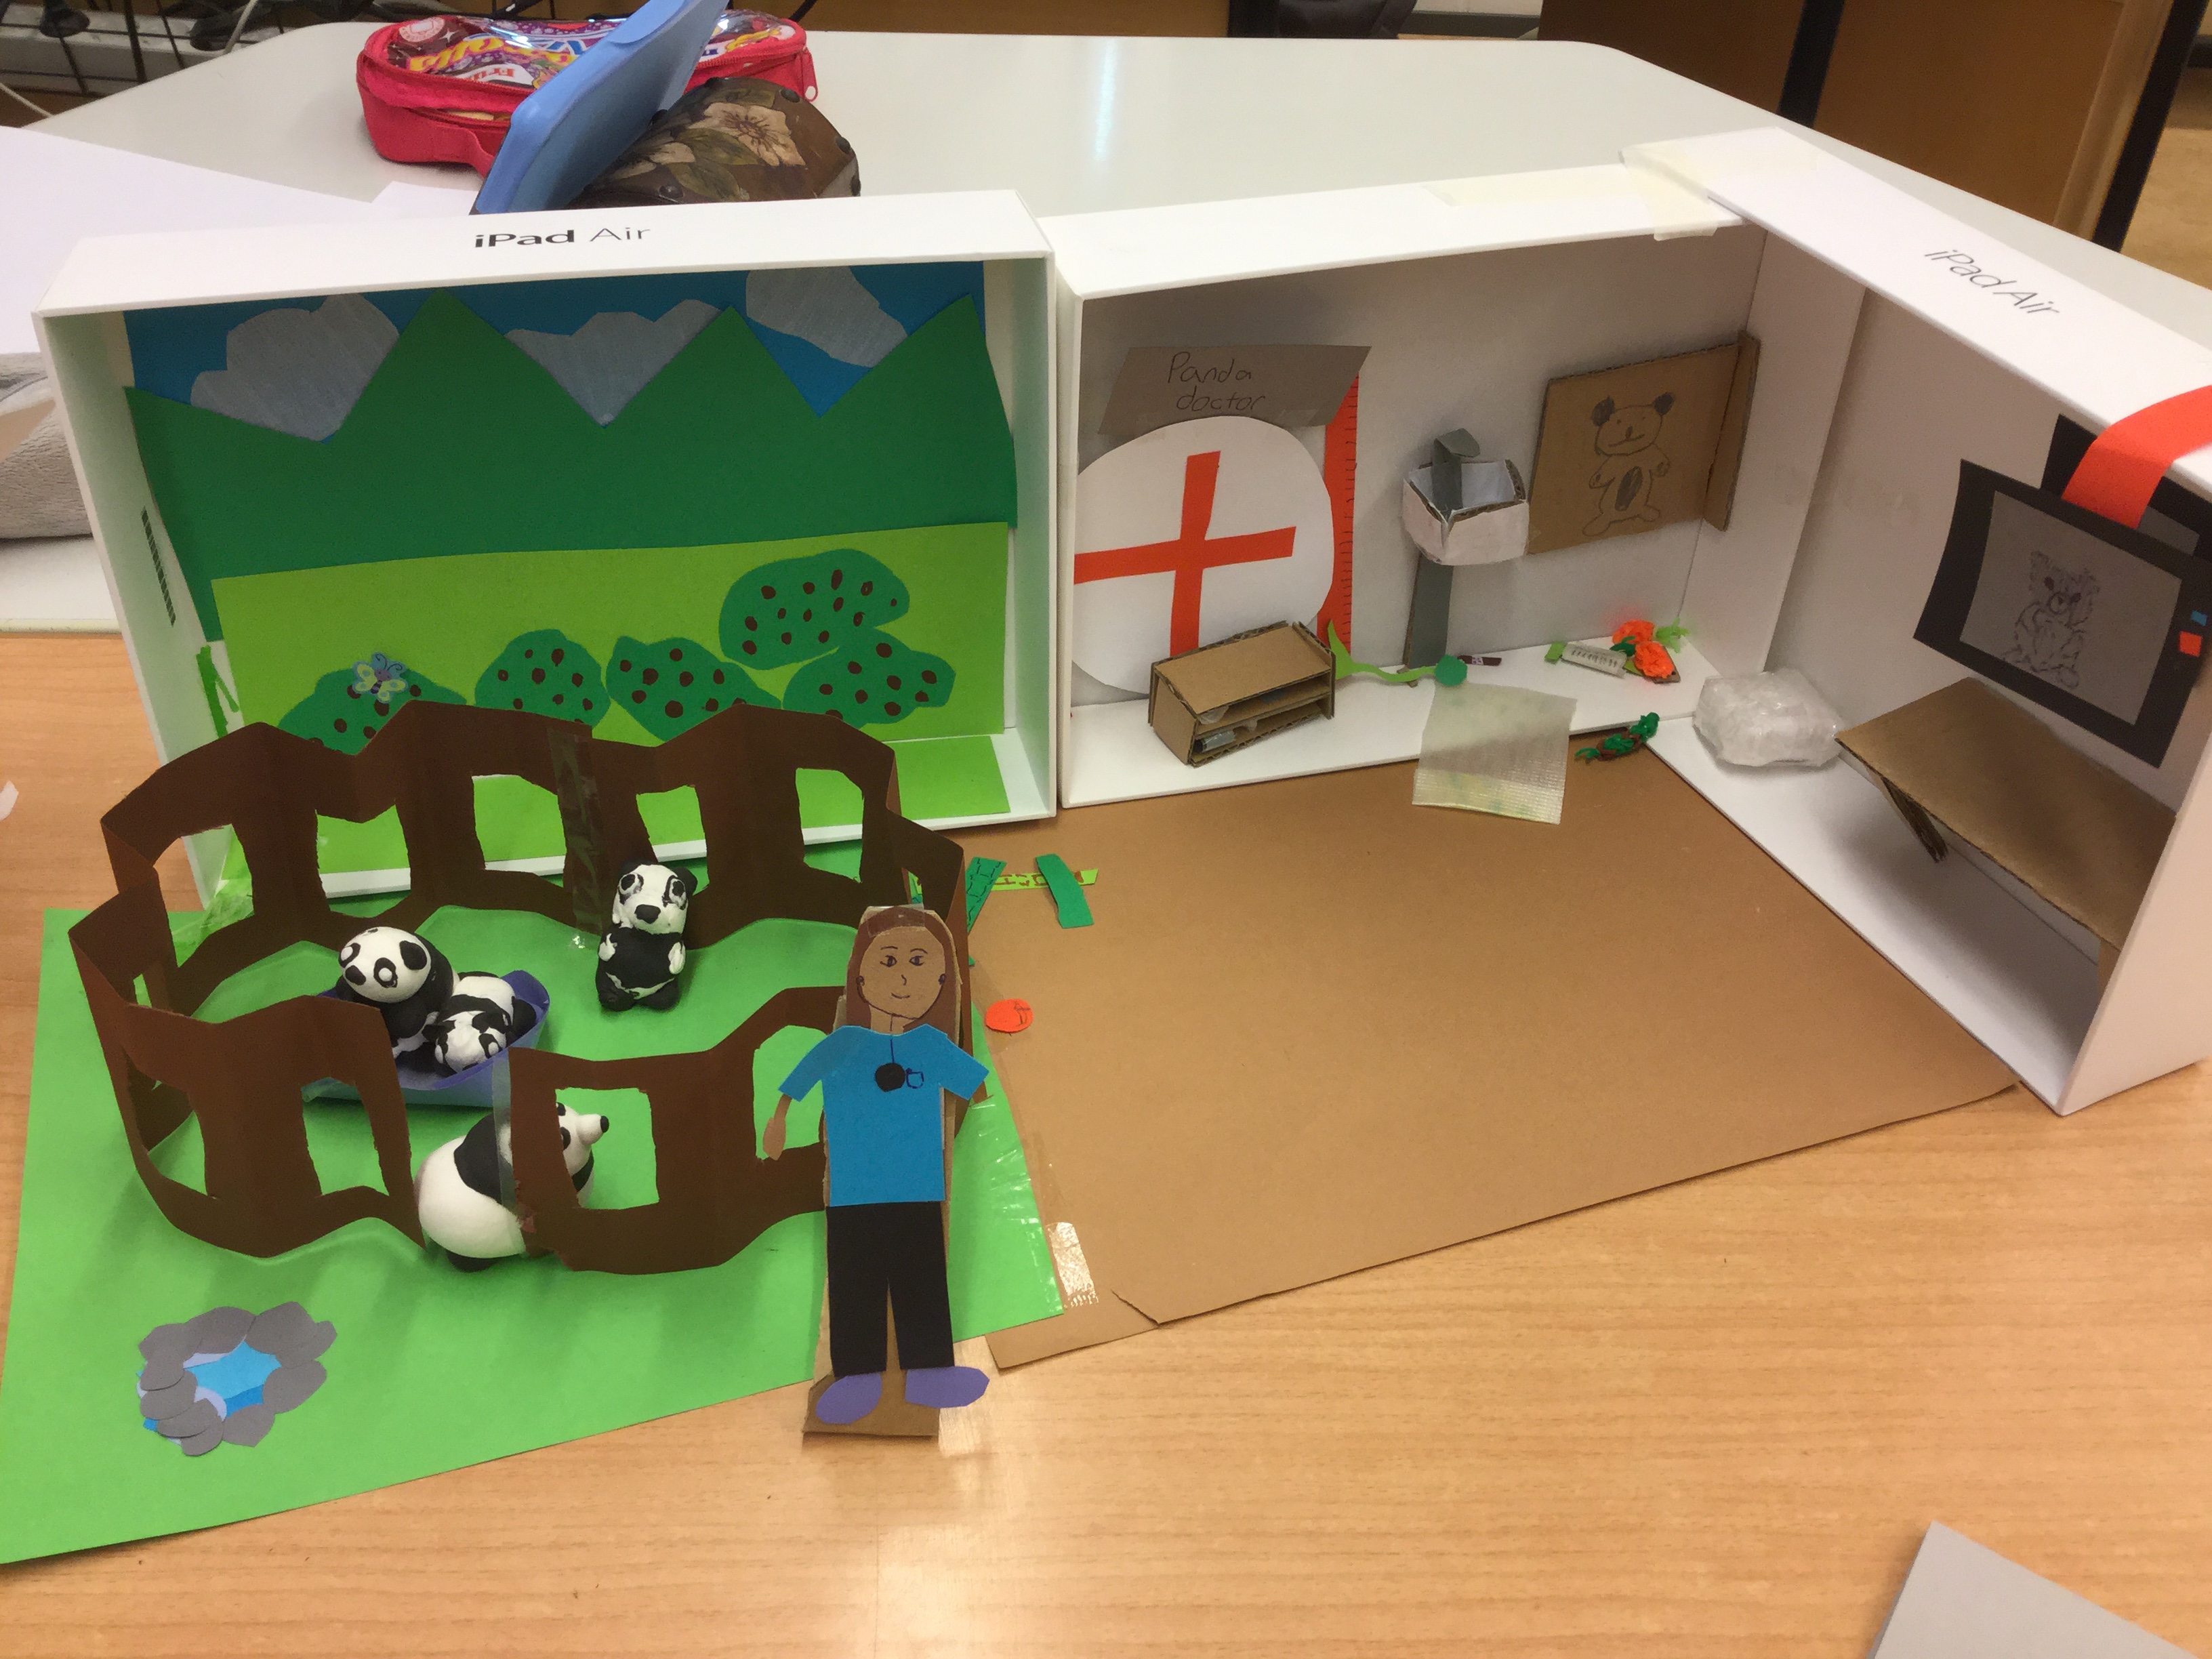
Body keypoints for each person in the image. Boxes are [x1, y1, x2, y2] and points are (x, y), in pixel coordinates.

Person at [764, 904, 991, 1424]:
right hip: (854, 1187)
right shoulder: (844, 1044)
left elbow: (975, 1087)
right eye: (888, 962)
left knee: (921, 1278)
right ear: (861, 977)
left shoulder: (931, 1046)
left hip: (918, 1183)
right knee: (856, 1280)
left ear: (942, 981)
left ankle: (929, 1372)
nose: (904, 978)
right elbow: (796, 1085)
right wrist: (777, 1122)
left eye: (919, 963)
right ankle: (857, 1377)